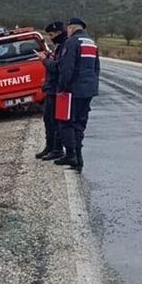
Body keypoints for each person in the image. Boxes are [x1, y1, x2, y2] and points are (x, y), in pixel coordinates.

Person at [55, 17, 100, 172]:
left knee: (66, 122)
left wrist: (62, 87)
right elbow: (96, 68)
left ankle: (71, 155)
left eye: (68, 28)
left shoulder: (72, 43)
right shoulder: (91, 43)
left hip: (73, 90)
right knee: (80, 123)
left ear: (71, 28)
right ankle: (79, 157)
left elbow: (67, 68)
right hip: (89, 90)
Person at [36, 21, 67, 160]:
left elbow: (56, 68)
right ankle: (50, 146)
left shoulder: (64, 47)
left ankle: (57, 149)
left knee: (55, 121)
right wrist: (48, 57)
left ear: (59, 33)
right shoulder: (58, 47)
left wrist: (44, 60)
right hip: (51, 89)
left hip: (56, 89)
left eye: (52, 34)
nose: (50, 37)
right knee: (48, 120)